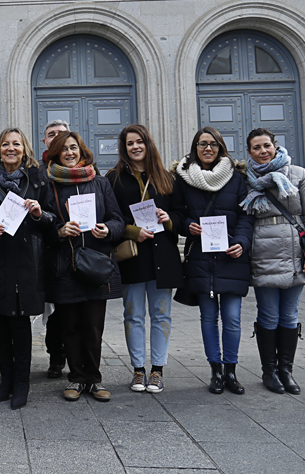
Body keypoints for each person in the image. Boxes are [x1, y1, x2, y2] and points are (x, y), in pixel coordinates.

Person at [0, 127, 55, 409]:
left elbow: (52, 220)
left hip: (27, 261)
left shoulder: (38, 179)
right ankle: (5, 380)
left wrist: (40, 213)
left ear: (25, 148)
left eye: (16, 144)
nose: (11, 148)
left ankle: (22, 384)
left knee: (19, 324)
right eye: (5, 144)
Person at [242, 128, 305, 395]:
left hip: (294, 252)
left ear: (276, 147)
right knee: (268, 314)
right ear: (249, 152)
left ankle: (286, 370)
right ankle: (269, 371)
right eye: (256, 147)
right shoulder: (244, 179)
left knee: (289, 314)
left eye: (266, 145)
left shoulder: (298, 174)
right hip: (262, 252)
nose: (262, 151)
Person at [44, 131, 125, 403]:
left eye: (73, 148)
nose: (69, 153)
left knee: (93, 326)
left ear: (82, 151)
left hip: (96, 263)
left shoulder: (100, 183)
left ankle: (94, 378)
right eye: (64, 149)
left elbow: (118, 220)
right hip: (65, 266)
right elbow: (42, 226)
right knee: (69, 326)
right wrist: (58, 230)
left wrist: (107, 229)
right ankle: (76, 378)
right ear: (56, 154)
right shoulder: (50, 185)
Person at [172, 127, 253, 395]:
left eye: (213, 144)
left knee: (232, 318)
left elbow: (246, 215)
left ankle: (231, 370)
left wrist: (241, 242)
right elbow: (177, 213)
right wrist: (188, 225)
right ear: (195, 147)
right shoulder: (183, 178)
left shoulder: (237, 178)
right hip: (201, 258)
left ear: (221, 148)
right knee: (208, 317)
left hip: (231, 257)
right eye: (202, 144)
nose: (208, 148)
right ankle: (215, 371)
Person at [106, 124, 184, 394]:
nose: (135, 147)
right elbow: (110, 216)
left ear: (148, 144)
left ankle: (157, 371)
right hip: (133, 256)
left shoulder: (166, 177)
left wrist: (169, 219)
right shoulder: (113, 179)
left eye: (139, 142)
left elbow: (181, 216)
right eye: (129, 143)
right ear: (123, 148)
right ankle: (138, 370)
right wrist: (132, 231)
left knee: (162, 315)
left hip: (163, 256)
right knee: (133, 315)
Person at [40, 118, 69, 378]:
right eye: (52, 134)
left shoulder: (87, 169)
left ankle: (78, 356)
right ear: (45, 141)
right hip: (48, 250)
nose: (57, 137)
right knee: (55, 310)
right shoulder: (37, 171)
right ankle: (56, 357)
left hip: (78, 248)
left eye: (62, 133)